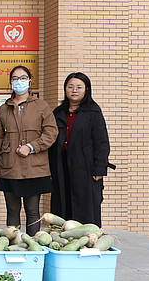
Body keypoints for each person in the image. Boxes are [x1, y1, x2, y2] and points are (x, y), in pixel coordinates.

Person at [0, 65, 57, 236]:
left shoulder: (41, 106)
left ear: (30, 81)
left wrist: (31, 147)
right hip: (9, 167)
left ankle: (32, 244)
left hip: (34, 167)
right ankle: (14, 244)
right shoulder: (4, 108)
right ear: (10, 82)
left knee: (32, 210)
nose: (19, 82)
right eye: (15, 78)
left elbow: (51, 132)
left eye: (23, 78)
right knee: (12, 211)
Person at [48, 72, 115, 227]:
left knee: (85, 205)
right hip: (61, 166)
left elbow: (102, 142)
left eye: (79, 87)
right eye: (70, 87)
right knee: (62, 203)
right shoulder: (58, 112)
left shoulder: (93, 112)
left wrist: (100, 168)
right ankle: (63, 235)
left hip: (85, 167)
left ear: (86, 89)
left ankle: (87, 236)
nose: (74, 90)